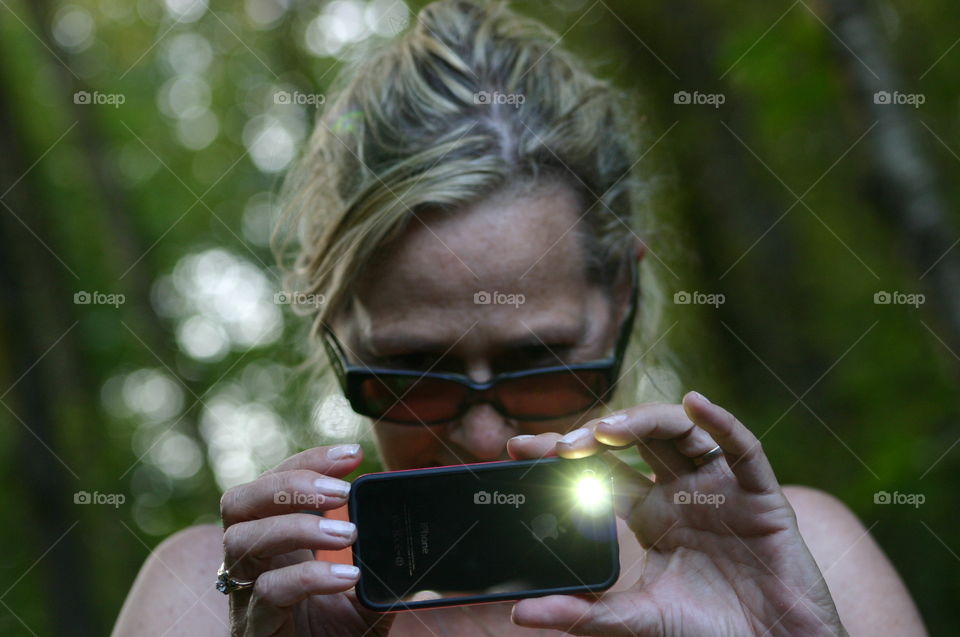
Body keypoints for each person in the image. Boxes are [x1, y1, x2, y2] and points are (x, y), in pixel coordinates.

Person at [111, 1, 928, 635]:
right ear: (336, 330)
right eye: (416, 375)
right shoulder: (206, 595)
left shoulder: (809, 558)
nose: (482, 439)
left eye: (544, 367)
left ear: (620, 298)